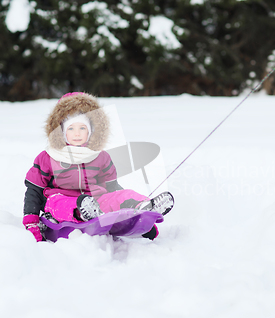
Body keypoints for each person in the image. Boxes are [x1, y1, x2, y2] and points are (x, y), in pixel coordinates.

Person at [22, 92, 174, 242]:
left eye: (82, 128)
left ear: (91, 131)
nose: (77, 134)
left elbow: (112, 186)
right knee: (57, 202)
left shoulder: (99, 156)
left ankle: (144, 208)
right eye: (71, 128)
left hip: (96, 203)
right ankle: (82, 212)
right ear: (61, 131)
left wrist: (141, 223)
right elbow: (34, 191)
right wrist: (31, 221)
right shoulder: (48, 157)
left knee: (122, 195)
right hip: (60, 206)